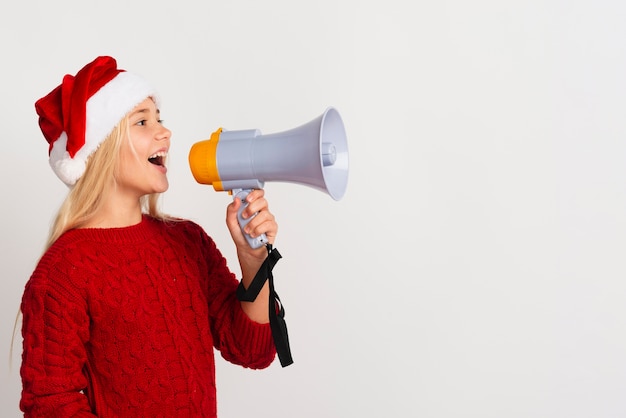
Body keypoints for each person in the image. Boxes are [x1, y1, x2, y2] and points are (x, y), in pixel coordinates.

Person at [19, 56, 281, 417]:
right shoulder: (64, 271)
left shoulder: (188, 241)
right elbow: (49, 402)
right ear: (100, 147)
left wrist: (254, 262)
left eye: (160, 118)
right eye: (142, 121)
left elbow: (251, 349)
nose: (165, 132)